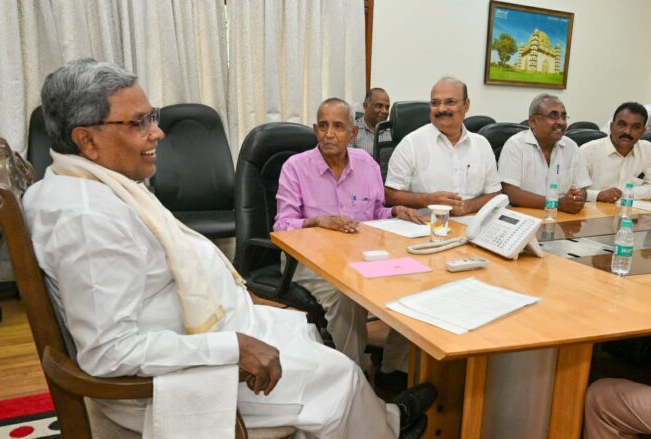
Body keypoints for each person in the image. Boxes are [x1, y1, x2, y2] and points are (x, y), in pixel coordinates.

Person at [24, 58, 434, 439]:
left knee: (308, 333)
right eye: (138, 123)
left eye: (152, 117)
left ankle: (381, 418)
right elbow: (108, 354)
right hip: (177, 380)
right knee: (341, 376)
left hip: (201, 333)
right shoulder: (86, 218)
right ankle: (387, 427)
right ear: (87, 140)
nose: (157, 132)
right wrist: (234, 346)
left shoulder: (90, 187)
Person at [274, 97, 421, 371]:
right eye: (323, 126)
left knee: (411, 282)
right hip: (309, 260)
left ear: (353, 133)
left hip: (361, 256)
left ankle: (394, 369)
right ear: (315, 130)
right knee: (346, 296)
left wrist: (395, 211)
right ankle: (354, 375)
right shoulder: (295, 167)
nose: (329, 134)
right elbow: (282, 226)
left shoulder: (367, 165)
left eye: (338, 127)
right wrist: (317, 221)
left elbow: (375, 213)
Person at [385, 77, 501, 217]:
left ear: (466, 105)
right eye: (435, 103)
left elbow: (494, 194)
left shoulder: (482, 145)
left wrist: (468, 206)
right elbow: (389, 195)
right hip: (424, 224)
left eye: (450, 102)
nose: (441, 109)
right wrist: (427, 200)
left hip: (471, 223)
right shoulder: (411, 144)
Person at [498, 93, 591, 213]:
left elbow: (581, 187)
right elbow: (510, 192)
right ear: (533, 121)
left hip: (562, 216)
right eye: (553, 116)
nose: (561, 122)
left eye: (564, 117)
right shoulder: (515, 145)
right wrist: (557, 204)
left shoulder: (571, 146)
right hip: (526, 216)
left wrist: (577, 198)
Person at [582, 102, 651, 202]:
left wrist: (625, 193)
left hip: (631, 210)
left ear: (643, 132)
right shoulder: (588, 151)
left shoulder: (649, 151)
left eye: (636, 127)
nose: (627, 132)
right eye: (622, 125)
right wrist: (598, 195)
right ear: (611, 127)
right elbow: (573, 190)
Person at [353, 87, 392, 156]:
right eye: (379, 106)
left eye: (387, 107)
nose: (384, 111)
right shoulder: (353, 130)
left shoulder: (393, 131)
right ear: (365, 106)